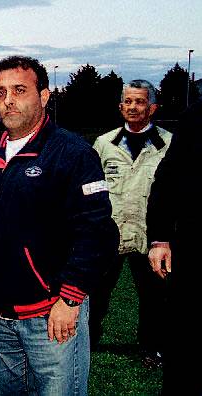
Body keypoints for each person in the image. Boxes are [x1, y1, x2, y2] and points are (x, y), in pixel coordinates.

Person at [0, 55, 119, 395]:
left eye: (19, 90)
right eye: (0, 92)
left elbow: (96, 230)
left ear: (44, 96)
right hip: (0, 316)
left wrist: (70, 299)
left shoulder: (72, 153)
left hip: (51, 316)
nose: (7, 100)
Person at [90, 79, 171, 367]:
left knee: (155, 298)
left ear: (152, 108)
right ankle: (85, 344)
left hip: (150, 237)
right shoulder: (104, 144)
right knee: (96, 293)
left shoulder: (170, 144)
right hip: (109, 234)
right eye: (128, 101)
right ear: (120, 106)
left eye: (139, 102)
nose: (133, 107)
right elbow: (90, 189)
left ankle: (152, 349)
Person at [147, 98, 202, 395]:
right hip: (195, 249)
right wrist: (159, 237)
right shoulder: (197, 115)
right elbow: (168, 178)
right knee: (186, 349)